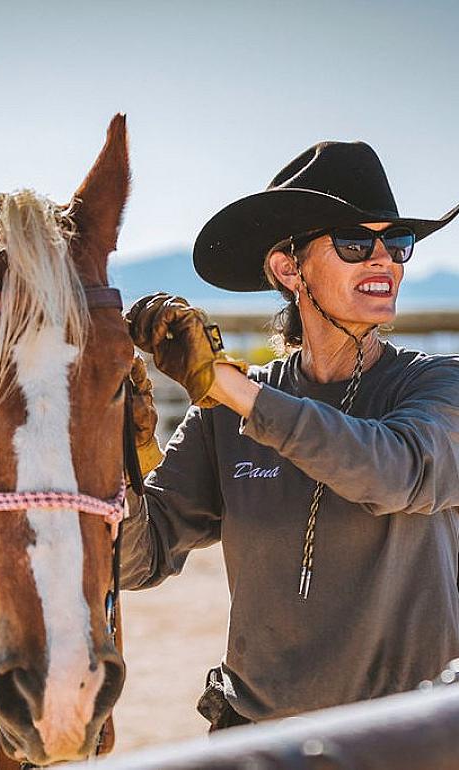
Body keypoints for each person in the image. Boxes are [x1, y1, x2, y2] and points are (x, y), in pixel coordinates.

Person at [121, 140, 459, 730]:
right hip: (256, 739)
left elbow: (395, 473)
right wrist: (113, 456)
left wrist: (226, 386)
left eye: (396, 242)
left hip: (411, 743)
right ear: (288, 267)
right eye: (356, 242)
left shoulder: (438, 386)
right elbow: (136, 560)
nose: (384, 259)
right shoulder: (224, 416)